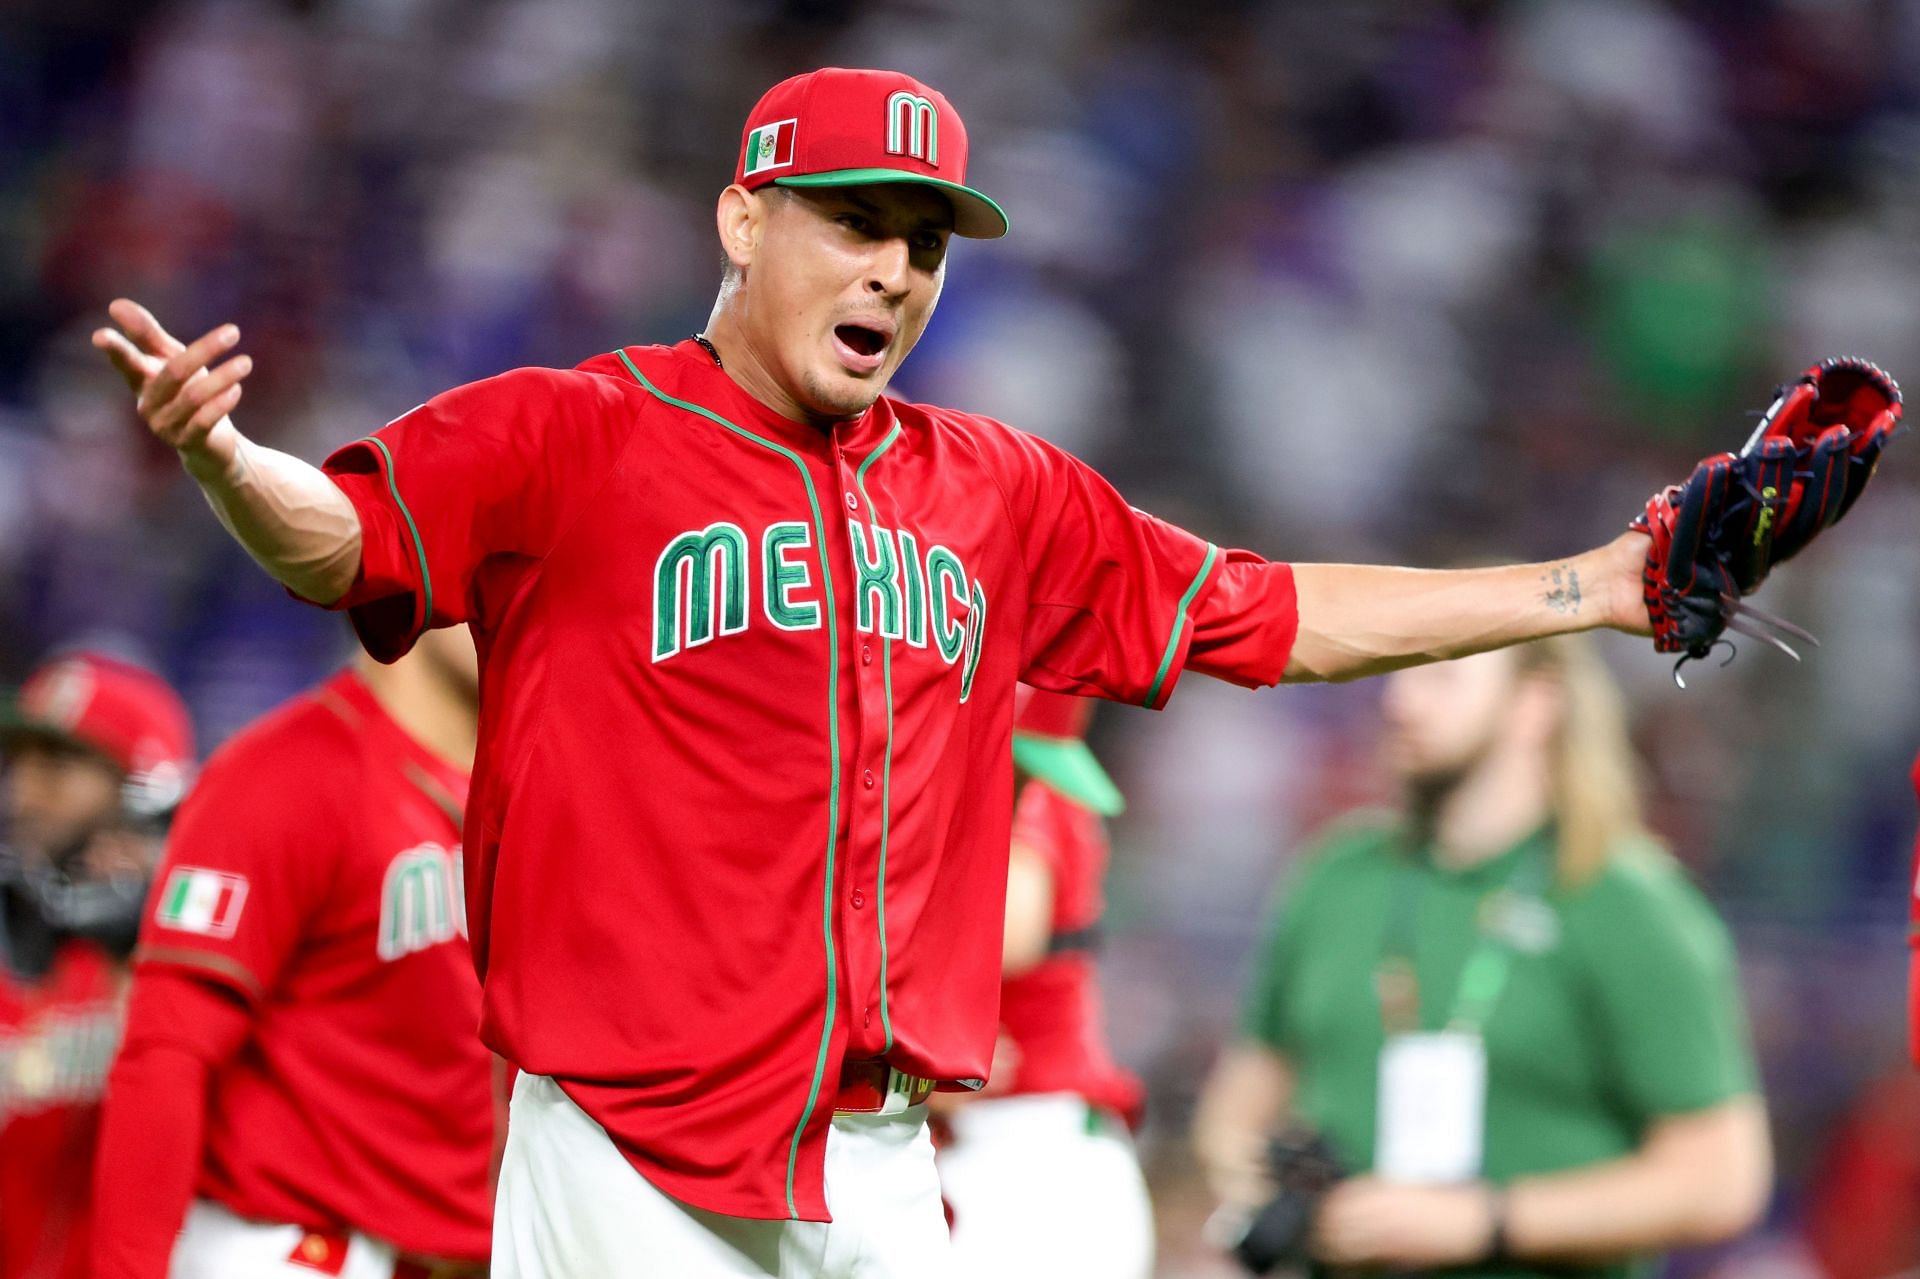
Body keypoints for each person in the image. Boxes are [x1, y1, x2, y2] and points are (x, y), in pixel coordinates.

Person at [91, 63, 1714, 1279]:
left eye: (924, 242)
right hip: (622, 1151)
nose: (893, 270)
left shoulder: (997, 486)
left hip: (875, 1154)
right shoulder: (576, 431)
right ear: (743, 216)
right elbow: (342, 539)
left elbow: (1270, 613)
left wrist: (1592, 583)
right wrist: (229, 457)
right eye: (854, 222)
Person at [1192, 636, 1770, 1278]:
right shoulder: (1335, 876)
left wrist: (1487, 1222)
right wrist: (1271, 1195)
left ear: (1536, 704)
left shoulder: (1628, 904)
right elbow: (1238, 1106)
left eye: (1442, 680)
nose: (1399, 701)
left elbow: (1721, 1179)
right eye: (1397, 674)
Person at [87, 625, 492, 1279]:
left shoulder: (530, 787)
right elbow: (165, 1052)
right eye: (471, 564)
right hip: (290, 1248)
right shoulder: (286, 770)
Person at [935, 686, 1153, 1279]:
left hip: (1026, 1159)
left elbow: (1011, 933)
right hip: (1037, 1149)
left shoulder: (1022, 781)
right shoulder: (1041, 773)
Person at [0, 650, 194, 1279]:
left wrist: (135, 955)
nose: (21, 793)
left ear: (142, 790)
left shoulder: (195, 961)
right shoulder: (13, 941)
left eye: (56, 767)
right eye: (17, 765)